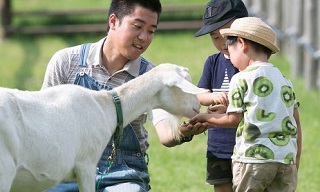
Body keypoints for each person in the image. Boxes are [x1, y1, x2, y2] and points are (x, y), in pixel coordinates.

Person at [42, 0, 206, 191]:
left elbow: (166, 133)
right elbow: (46, 124)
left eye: (151, 31)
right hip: (66, 172)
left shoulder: (151, 76)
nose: (144, 37)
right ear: (113, 21)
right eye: (137, 27)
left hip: (121, 175)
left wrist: (182, 133)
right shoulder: (67, 62)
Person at [189, 17, 302, 192]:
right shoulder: (284, 80)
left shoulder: (241, 78)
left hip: (253, 159)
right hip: (284, 159)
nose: (228, 54)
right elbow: (275, 112)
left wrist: (207, 116)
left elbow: (233, 119)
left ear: (241, 44)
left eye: (230, 48)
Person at [194, 0, 248, 191]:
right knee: (222, 186)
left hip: (249, 145)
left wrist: (231, 106)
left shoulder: (253, 65)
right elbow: (200, 94)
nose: (223, 43)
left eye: (228, 34)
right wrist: (214, 98)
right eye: (215, 37)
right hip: (219, 146)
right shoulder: (213, 62)